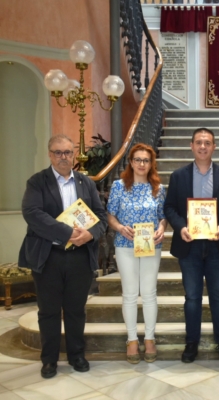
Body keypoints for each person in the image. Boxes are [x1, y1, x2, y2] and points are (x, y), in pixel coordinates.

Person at [18, 134, 107, 379]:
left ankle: (77, 355)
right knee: (48, 311)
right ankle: (49, 360)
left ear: (74, 154)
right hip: (49, 256)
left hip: (79, 257)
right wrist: (69, 233)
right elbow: (33, 213)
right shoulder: (37, 182)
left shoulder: (85, 183)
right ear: (50, 154)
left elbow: (99, 214)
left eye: (67, 152)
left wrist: (89, 235)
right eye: (58, 152)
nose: (63, 157)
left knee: (76, 310)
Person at [164, 128, 219, 363]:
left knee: (218, 296)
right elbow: (170, 208)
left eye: (207, 142)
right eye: (198, 142)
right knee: (192, 297)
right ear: (191, 145)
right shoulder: (178, 176)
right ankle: (191, 343)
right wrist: (180, 226)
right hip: (189, 245)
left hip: (216, 245)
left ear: (214, 146)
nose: (203, 146)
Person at [107, 143, 167, 364]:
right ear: (131, 162)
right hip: (125, 244)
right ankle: (132, 339)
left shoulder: (159, 188)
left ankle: (149, 338)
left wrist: (162, 228)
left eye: (146, 160)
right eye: (138, 160)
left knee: (149, 292)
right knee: (130, 293)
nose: (142, 164)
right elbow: (110, 215)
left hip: (151, 245)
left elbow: (163, 216)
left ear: (151, 164)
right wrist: (120, 227)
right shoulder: (118, 186)